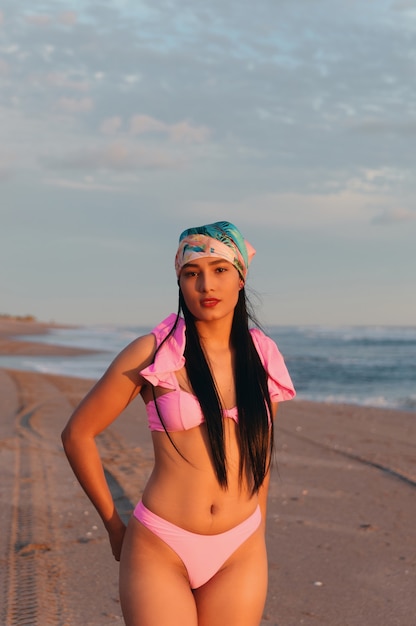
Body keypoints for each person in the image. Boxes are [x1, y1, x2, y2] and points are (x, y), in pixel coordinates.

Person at [61, 220, 295, 626]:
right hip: (161, 546)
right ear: (180, 281)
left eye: (219, 270)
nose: (206, 285)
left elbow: (261, 455)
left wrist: (258, 527)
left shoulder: (263, 356)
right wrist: (114, 525)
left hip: (240, 548)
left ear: (240, 278)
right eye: (192, 273)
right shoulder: (153, 351)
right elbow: (78, 434)